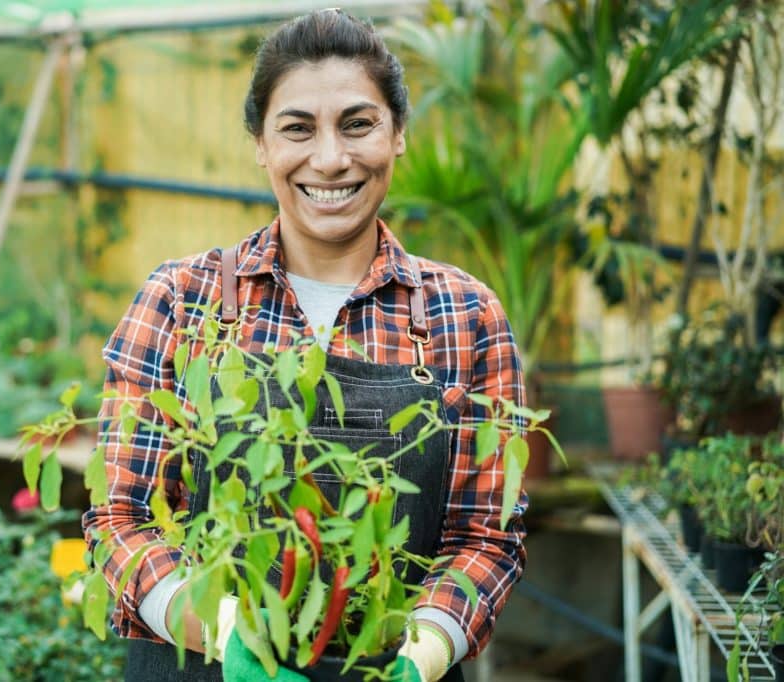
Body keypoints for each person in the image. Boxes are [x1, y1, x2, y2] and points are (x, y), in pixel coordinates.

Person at [82, 9, 527, 682]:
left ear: (397, 134)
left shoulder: (464, 315)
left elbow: (484, 539)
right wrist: (223, 630)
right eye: (297, 128)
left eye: (358, 124)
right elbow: (121, 518)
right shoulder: (180, 302)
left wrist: (424, 653)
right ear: (261, 143)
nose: (329, 159)